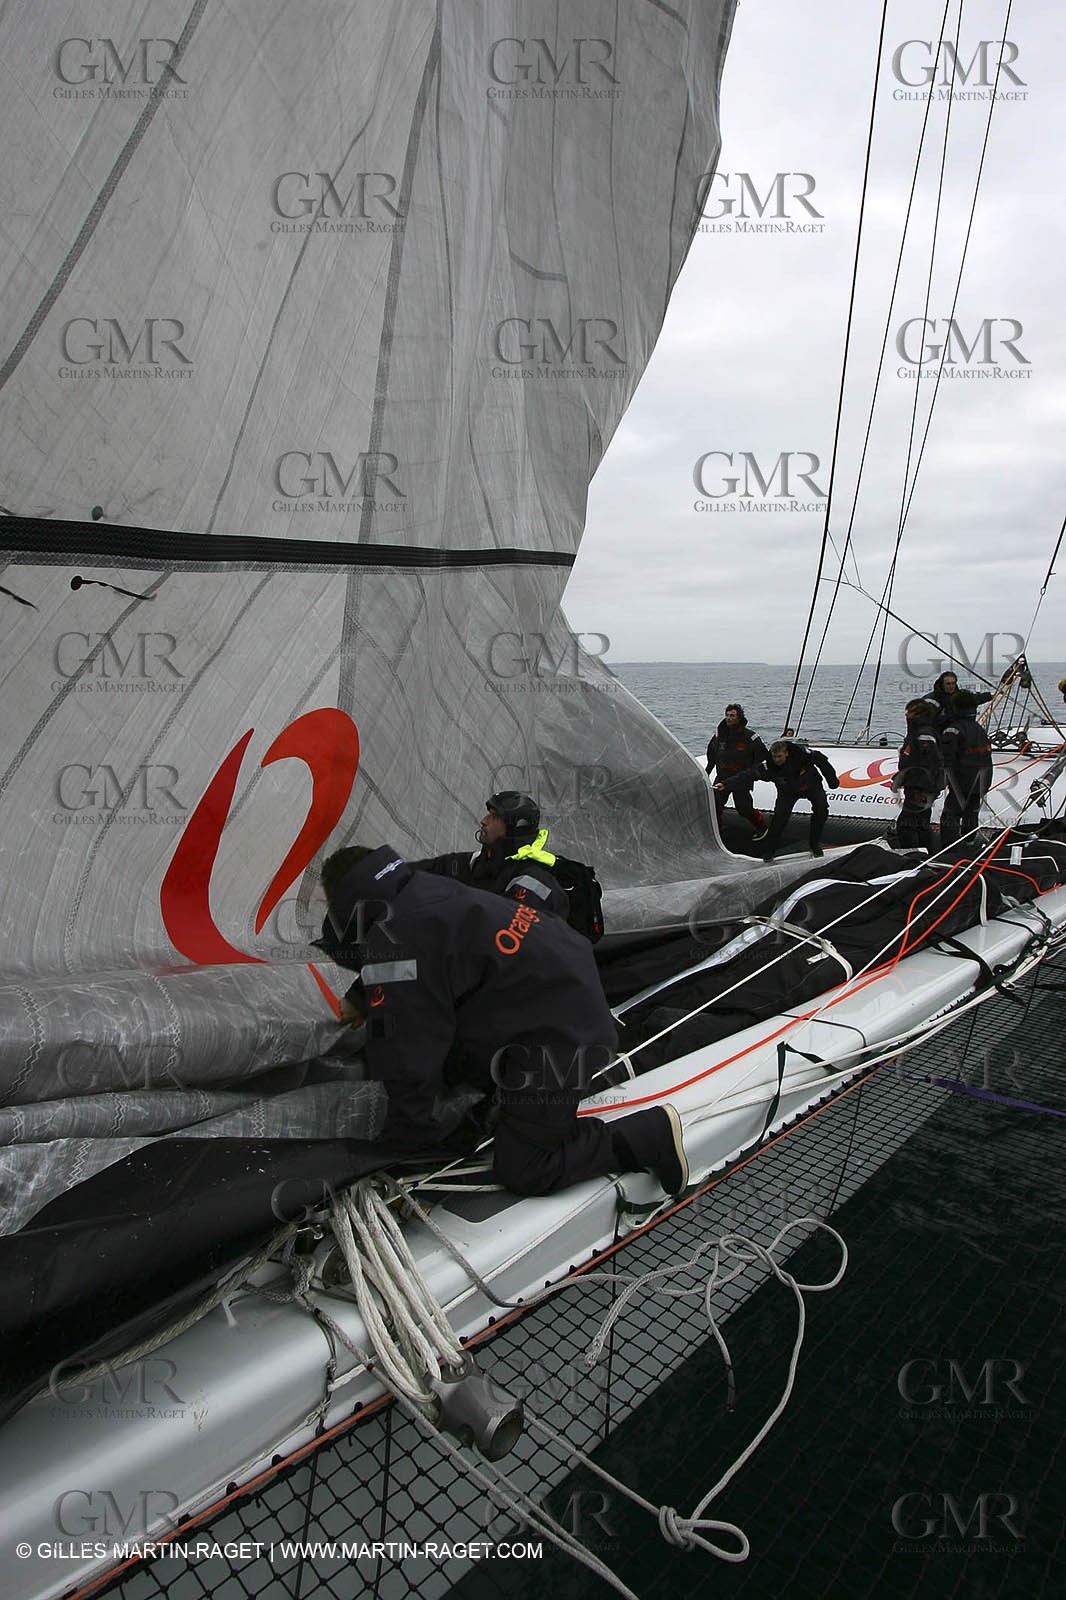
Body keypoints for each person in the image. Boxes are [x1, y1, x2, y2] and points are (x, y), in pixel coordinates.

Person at [318, 845, 689, 1198]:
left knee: (526, 1168)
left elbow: (407, 1050)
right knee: (456, 1062)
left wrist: (401, 1143)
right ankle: (506, 1106)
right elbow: (429, 957)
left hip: (559, 1033)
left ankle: (647, 1136)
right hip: (558, 984)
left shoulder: (394, 932)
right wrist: (362, 996)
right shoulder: (419, 889)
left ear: (347, 900)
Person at [414, 791, 569, 918]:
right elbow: (437, 867)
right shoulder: (484, 861)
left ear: (513, 829)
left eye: (494, 817)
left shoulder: (531, 881)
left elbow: (503, 934)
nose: (484, 820)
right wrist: (395, 872)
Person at [716, 738, 838, 862]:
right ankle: (770, 850)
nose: (777, 760)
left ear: (786, 753)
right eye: (774, 757)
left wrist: (832, 781)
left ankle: (814, 844)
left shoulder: (803, 755)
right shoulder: (768, 766)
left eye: (779, 756)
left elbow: (822, 761)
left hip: (811, 786)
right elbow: (747, 775)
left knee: (821, 809)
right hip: (788, 792)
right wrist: (726, 784)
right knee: (779, 819)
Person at [705, 704, 768, 839]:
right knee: (715, 805)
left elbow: (762, 759)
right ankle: (717, 834)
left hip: (741, 778)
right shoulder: (719, 736)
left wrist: (755, 774)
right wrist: (706, 773)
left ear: (739, 718)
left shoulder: (751, 738)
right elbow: (711, 756)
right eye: (727, 715)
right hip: (722, 776)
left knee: (744, 808)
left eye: (732, 715)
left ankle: (761, 826)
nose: (728, 718)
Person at [939, 691, 993, 846]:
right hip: (981, 781)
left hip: (962, 782)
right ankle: (968, 842)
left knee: (951, 814)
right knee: (971, 813)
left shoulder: (954, 730)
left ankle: (949, 848)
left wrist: (941, 781)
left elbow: (947, 759)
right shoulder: (979, 729)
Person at [890, 700, 944, 852]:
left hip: (920, 787)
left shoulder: (924, 736)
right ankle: (925, 853)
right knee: (921, 824)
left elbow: (927, 764)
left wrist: (921, 788)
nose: (906, 715)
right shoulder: (917, 733)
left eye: (910, 712)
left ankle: (913, 855)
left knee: (906, 824)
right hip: (917, 785)